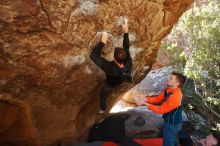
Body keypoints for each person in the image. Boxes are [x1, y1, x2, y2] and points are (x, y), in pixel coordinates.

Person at [90, 19, 132, 113]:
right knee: (113, 85)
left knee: (102, 94)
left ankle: (102, 109)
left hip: (110, 84)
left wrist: (103, 42)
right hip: (121, 79)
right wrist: (126, 31)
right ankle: (103, 109)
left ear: (114, 59)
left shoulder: (109, 68)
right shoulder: (128, 62)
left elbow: (93, 56)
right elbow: (126, 47)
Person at [134, 72, 186, 146]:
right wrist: (145, 99)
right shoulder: (168, 89)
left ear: (177, 83)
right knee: (173, 140)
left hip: (173, 124)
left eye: (171, 78)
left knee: (168, 142)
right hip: (169, 120)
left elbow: (160, 110)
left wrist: (143, 103)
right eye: (169, 77)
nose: (168, 79)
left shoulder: (176, 97)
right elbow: (157, 99)